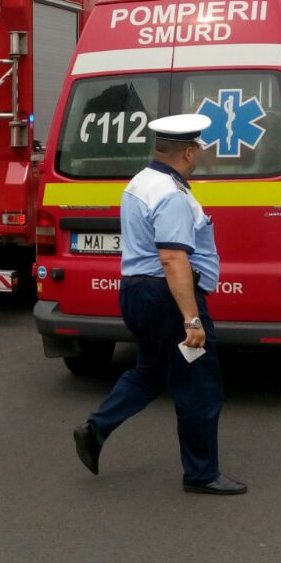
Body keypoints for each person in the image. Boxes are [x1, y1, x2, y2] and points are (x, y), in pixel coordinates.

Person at [72, 114, 244, 496]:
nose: (199, 155)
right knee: (198, 384)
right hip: (168, 297)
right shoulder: (171, 195)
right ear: (186, 152)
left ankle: (96, 429)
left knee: (149, 370)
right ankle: (201, 474)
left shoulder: (142, 182)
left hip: (137, 292)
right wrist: (192, 318)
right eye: (197, 149)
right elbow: (172, 258)